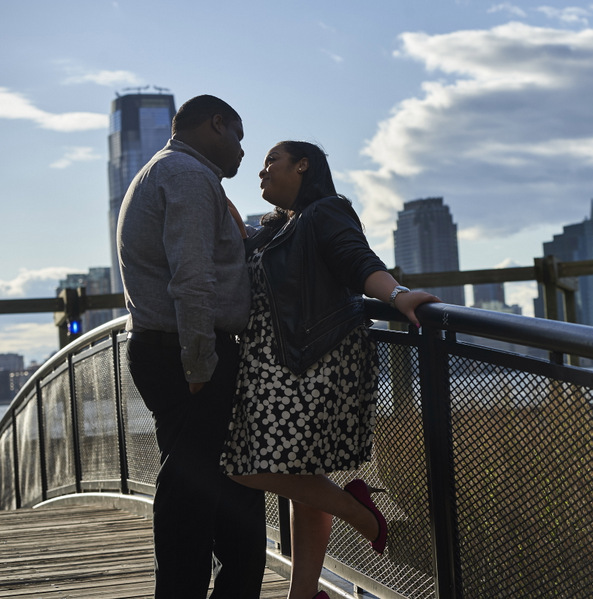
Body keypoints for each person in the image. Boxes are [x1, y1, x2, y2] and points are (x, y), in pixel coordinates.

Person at [220, 141, 440, 599]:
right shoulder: (277, 227)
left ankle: (359, 511)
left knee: (240, 466)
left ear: (303, 165)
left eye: (271, 162)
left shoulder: (326, 211)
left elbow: (356, 259)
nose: (261, 173)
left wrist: (398, 295)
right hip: (274, 365)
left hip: (312, 363)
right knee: (300, 478)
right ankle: (305, 596)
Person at [117, 95, 267, 598]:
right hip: (189, 353)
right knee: (190, 499)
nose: (244, 153)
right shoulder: (186, 175)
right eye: (239, 138)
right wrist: (201, 362)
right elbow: (192, 277)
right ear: (215, 124)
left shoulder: (167, 172)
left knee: (220, 497)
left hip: (174, 348)